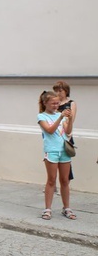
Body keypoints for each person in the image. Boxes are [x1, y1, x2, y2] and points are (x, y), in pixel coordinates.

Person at [38, 90, 75, 220]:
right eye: (53, 103)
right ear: (45, 103)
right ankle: (47, 209)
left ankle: (67, 208)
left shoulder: (61, 115)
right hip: (52, 151)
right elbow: (49, 130)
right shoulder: (42, 117)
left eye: (57, 103)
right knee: (51, 180)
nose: (56, 106)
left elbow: (68, 132)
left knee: (65, 181)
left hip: (64, 150)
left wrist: (69, 119)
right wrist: (60, 117)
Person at [53, 80, 76, 182]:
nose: (58, 93)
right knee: (53, 160)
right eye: (56, 91)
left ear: (66, 91)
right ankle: (52, 184)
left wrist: (65, 119)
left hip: (66, 134)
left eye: (60, 91)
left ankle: (66, 183)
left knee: (66, 161)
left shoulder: (71, 103)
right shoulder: (54, 104)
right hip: (54, 134)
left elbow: (71, 118)